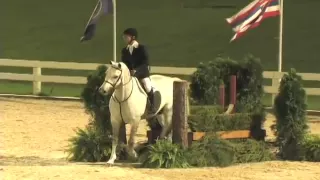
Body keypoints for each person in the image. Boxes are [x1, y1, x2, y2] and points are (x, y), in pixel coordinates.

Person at [121, 28, 155, 113]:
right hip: (130, 74)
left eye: (126, 37)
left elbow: (145, 63)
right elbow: (125, 63)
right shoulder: (124, 50)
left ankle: (152, 106)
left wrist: (136, 70)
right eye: (124, 37)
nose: (124, 38)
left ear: (133, 37)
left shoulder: (141, 48)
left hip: (142, 72)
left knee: (147, 86)